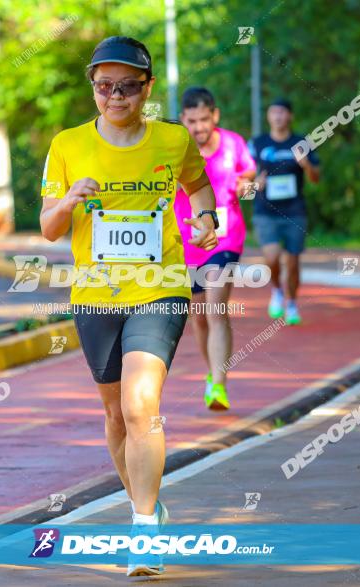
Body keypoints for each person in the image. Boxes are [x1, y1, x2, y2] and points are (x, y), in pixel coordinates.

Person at [39, 36, 218, 576]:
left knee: (142, 406)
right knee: (116, 416)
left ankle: (143, 532)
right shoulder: (67, 144)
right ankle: (151, 506)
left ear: (147, 88)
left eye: (127, 87)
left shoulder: (171, 140)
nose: (115, 97)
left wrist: (208, 222)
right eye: (104, 87)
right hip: (95, 295)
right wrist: (70, 201)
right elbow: (49, 230)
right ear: (93, 88)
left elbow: (200, 188)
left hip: (159, 288)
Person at [173, 87, 256, 411]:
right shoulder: (176, 148)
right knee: (200, 318)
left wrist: (247, 185)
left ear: (215, 116)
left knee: (215, 307)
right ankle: (212, 374)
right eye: (191, 121)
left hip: (225, 237)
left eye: (204, 119)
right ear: (183, 119)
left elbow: (248, 174)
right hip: (187, 241)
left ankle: (219, 385)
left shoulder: (233, 143)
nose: (198, 127)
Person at [248, 98, 320, 325]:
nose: (278, 116)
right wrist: (254, 185)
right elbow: (244, 180)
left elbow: (316, 178)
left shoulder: (302, 142)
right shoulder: (257, 143)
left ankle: (292, 302)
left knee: (293, 261)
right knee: (271, 258)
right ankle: (277, 290)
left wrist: (306, 165)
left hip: (295, 210)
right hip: (265, 211)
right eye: (273, 112)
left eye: (282, 112)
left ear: (290, 116)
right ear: (268, 116)